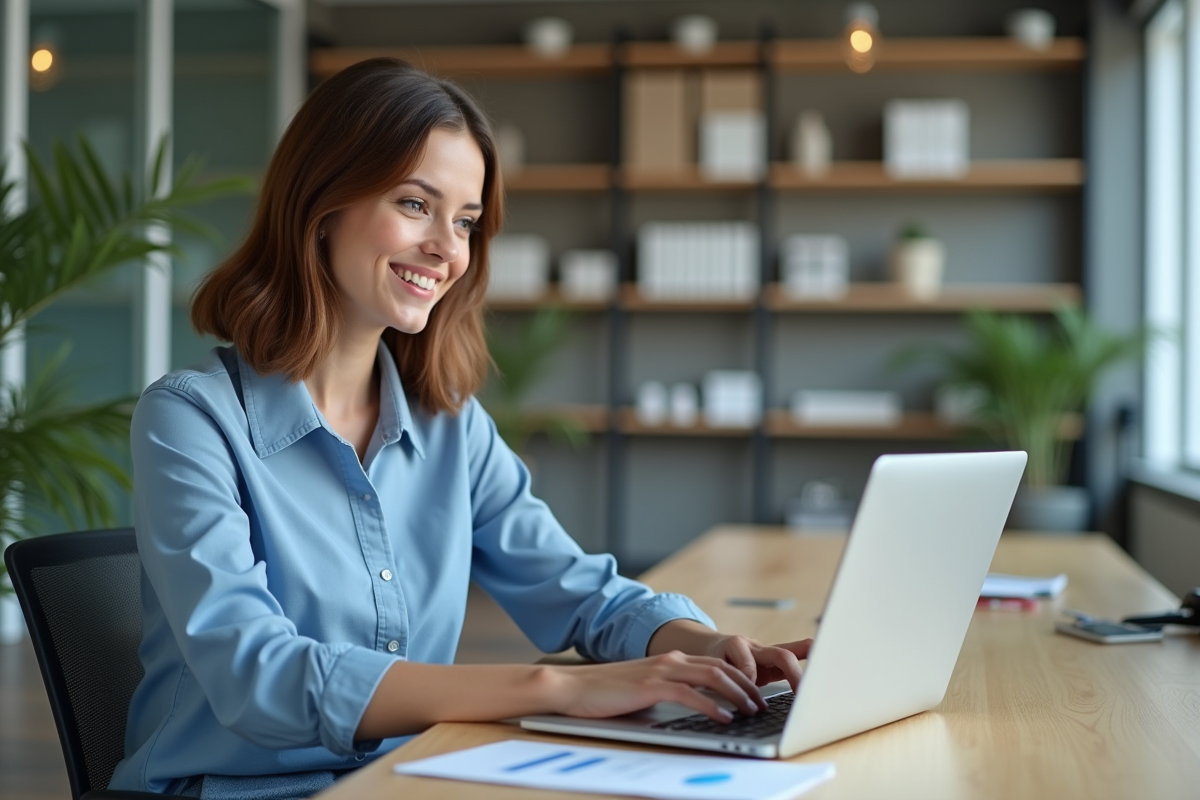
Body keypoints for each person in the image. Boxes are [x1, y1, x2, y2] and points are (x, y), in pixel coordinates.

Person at [109, 59, 811, 798]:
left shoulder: (449, 424)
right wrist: (556, 689)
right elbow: (258, 677)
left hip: (399, 780)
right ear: (323, 205)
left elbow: (577, 591)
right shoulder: (191, 420)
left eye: (466, 222)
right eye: (416, 204)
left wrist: (707, 648)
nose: (448, 249)